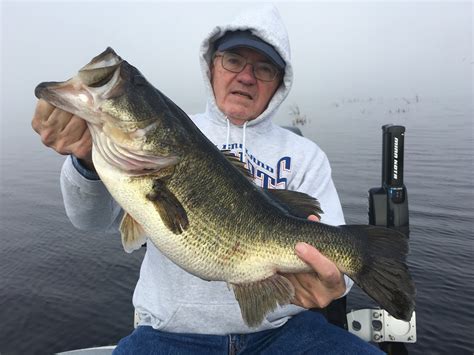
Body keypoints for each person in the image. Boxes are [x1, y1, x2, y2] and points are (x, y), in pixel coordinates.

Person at [32, 5, 383, 354]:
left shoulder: (306, 155)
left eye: (263, 68)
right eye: (233, 61)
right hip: (169, 334)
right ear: (212, 66)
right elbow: (90, 220)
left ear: (279, 83)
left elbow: (340, 268)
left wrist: (335, 283)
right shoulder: (179, 133)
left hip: (285, 332)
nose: (246, 76)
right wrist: (86, 160)